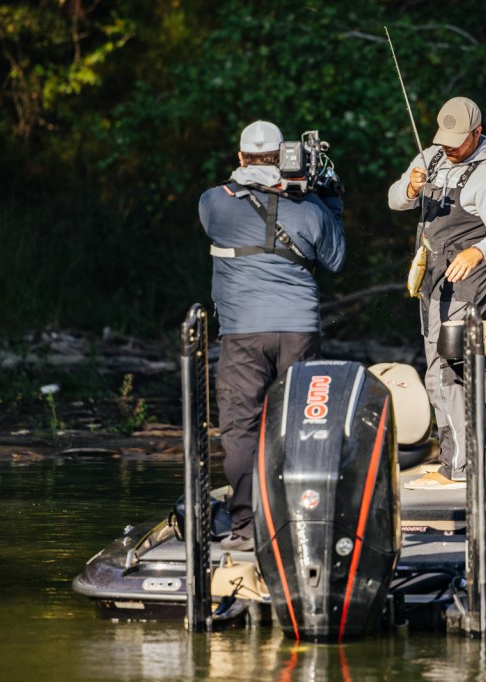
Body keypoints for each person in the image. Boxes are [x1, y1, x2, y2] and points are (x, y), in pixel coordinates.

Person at [199, 120, 346, 550]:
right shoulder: (309, 207)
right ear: (285, 157)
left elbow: (227, 205)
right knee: (299, 425)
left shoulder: (213, 202)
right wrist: (328, 199)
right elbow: (335, 259)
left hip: (242, 333)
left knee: (242, 426)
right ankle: (298, 521)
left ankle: (247, 527)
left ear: (240, 157)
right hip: (298, 329)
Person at [388, 97, 486, 489]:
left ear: (477, 133)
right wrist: (410, 189)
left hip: (470, 280)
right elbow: (394, 199)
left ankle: (461, 467)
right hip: (432, 280)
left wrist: (477, 251)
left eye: (457, 140)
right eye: (443, 139)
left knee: (447, 370)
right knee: (437, 368)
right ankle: (455, 459)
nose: (448, 147)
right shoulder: (432, 156)